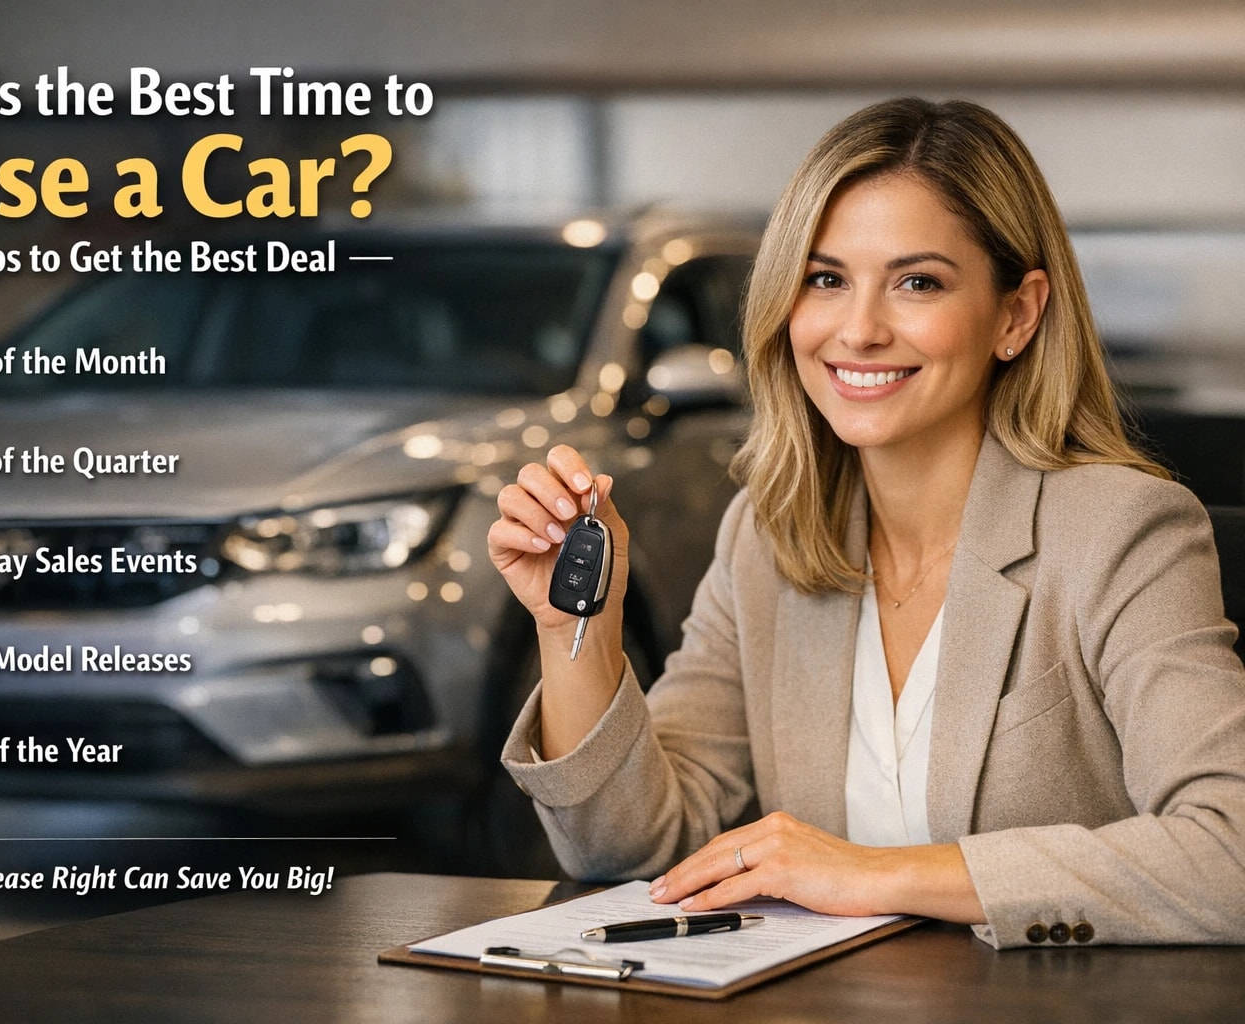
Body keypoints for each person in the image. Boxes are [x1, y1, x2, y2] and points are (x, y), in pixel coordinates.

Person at [487, 97, 1245, 948]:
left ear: (1016, 315)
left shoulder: (1120, 531)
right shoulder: (766, 537)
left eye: (917, 282)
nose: (859, 329)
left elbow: (1232, 852)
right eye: (825, 278)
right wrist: (571, 629)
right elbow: (629, 847)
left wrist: (868, 873)